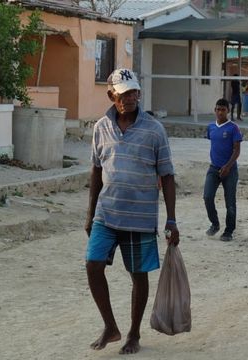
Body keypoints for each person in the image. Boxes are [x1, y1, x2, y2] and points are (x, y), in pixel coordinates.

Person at [85, 68, 179, 354]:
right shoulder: (101, 127)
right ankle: (110, 326)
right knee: (93, 264)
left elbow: (168, 176)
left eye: (134, 91)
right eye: (124, 93)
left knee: (138, 274)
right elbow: (96, 171)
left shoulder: (154, 130)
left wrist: (172, 220)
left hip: (140, 217)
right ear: (112, 95)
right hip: (106, 212)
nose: (130, 97)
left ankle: (133, 334)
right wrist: (90, 215)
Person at [204, 99, 243, 242]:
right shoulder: (210, 128)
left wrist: (228, 166)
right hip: (214, 168)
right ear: (215, 110)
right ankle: (214, 224)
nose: (220, 112)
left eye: (223, 110)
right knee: (207, 197)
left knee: (230, 202)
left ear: (228, 110)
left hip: (230, 170)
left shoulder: (233, 128)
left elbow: (237, 150)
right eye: (218, 109)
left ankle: (229, 231)